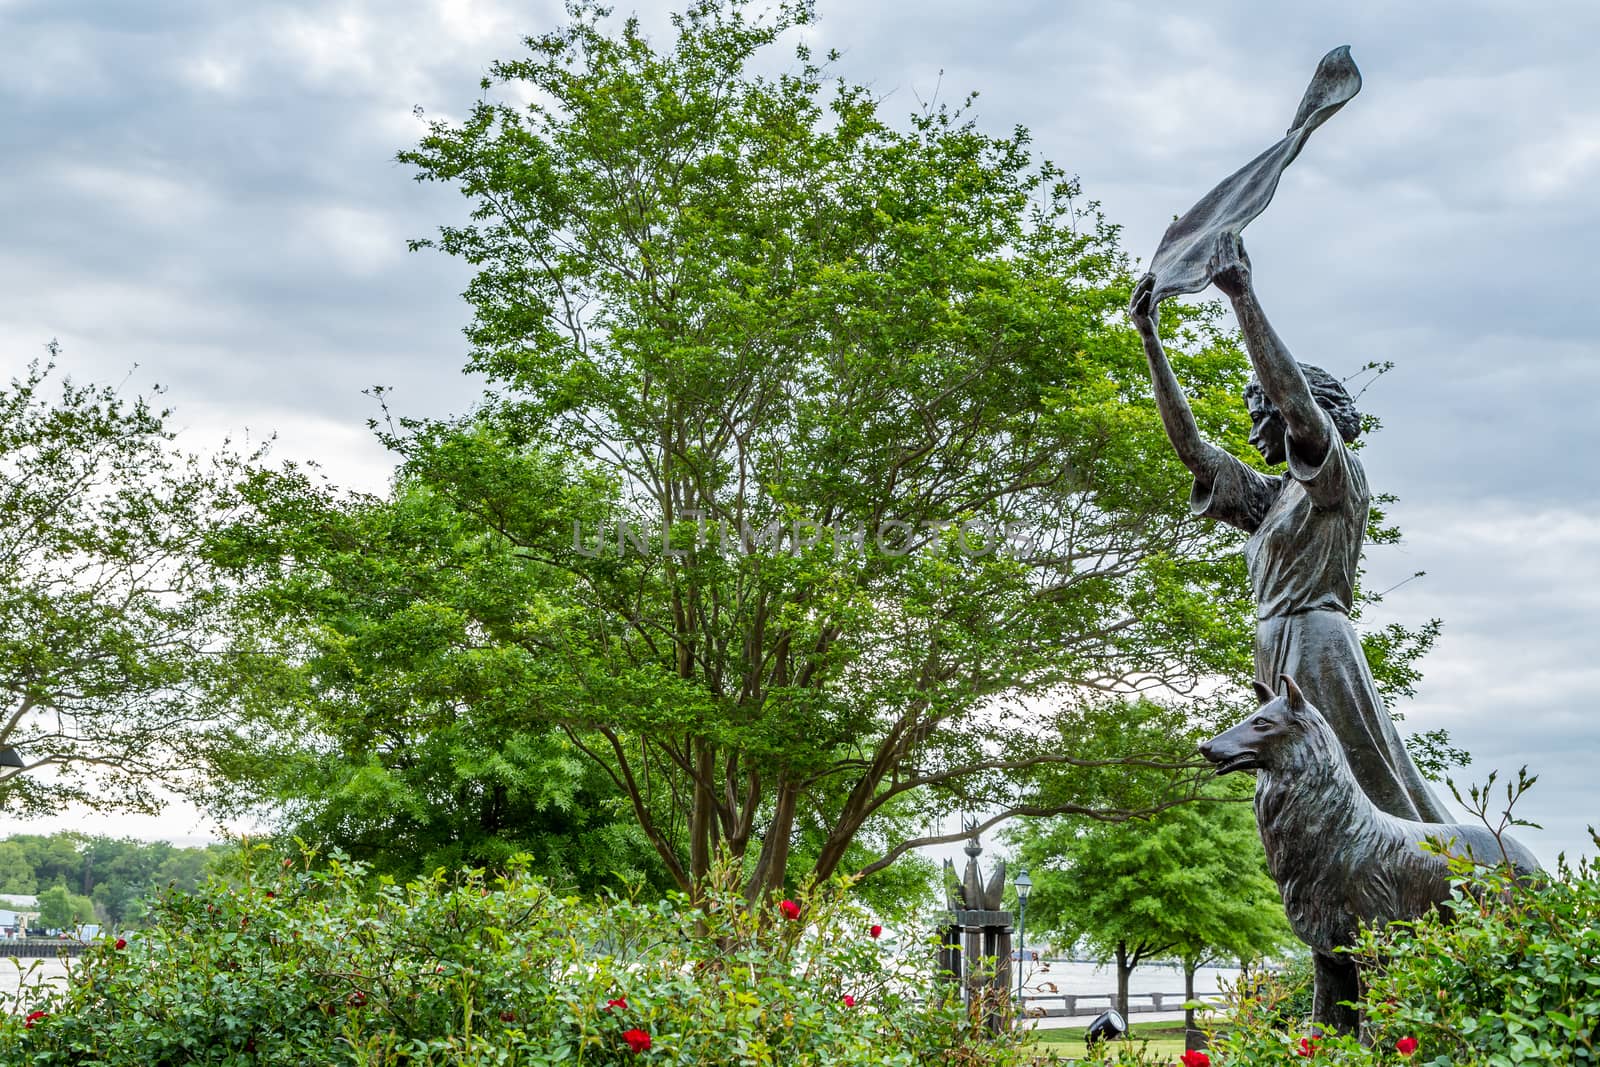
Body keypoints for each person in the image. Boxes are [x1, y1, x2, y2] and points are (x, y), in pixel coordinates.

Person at [1128, 234, 1448, 823]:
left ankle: (1434, 866)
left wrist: (1243, 299)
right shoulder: (1272, 499)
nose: (1252, 435)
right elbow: (1194, 451)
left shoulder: (1336, 479)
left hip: (1316, 642)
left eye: (1260, 419)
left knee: (1358, 779)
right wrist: (1150, 339)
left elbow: (1297, 400)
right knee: (1301, 787)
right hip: (1273, 642)